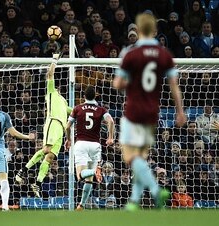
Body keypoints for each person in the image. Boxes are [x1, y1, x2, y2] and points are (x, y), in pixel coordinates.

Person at [113, 13, 187, 211]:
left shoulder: (130, 53)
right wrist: (180, 112)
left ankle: (155, 190)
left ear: (137, 30)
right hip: (153, 113)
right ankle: (134, 202)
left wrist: (130, 80)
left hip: (133, 111)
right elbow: (174, 86)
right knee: (141, 157)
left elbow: (118, 83)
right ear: (154, 31)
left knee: (131, 157)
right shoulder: (165, 54)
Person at [15, 54, 72, 197]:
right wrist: (54, 60)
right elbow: (49, 74)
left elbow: (74, 111)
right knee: (46, 149)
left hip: (61, 129)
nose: (58, 88)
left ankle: (38, 183)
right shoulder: (50, 93)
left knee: (50, 157)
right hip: (52, 122)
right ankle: (24, 170)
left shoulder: (64, 102)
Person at [64, 86, 114, 210]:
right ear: (96, 96)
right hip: (95, 146)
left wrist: (69, 139)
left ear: (84, 97)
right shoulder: (101, 110)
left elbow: (67, 126)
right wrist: (110, 137)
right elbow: (111, 121)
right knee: (89, 181)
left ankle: (94, 171)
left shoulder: (77, 108)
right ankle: (81, 205)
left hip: (81, 144)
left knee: (80, 176)